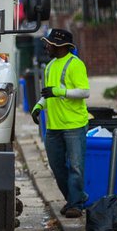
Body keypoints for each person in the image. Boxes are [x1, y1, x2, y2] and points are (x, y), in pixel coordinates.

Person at [31, 28, 91, 219]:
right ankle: (75, 198)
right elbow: (48, 93)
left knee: (75, 167)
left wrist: (60, 92)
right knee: (57, 167)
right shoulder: (49, 67)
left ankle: (75, 204)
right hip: (54, 127)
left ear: (59, 45)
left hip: (74, 125)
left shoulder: (75, 65)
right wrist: (38, 106)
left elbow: (84, 92)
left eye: (49, 43)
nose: (46, 46)